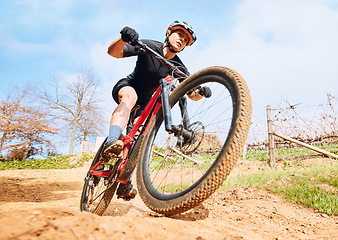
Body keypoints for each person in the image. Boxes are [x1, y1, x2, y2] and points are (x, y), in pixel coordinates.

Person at [104, 20, 210, 200]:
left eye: (186, 40)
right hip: (128, 87)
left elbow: (192, 95)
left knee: (139, 138)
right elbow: (114, 52)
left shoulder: (179, 67)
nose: (182, 40)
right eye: (180, 35)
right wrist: (123, 38)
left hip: (145, 104)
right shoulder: (150, 46)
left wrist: (202, 92)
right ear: (168, 33)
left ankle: (124, 181)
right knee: (130, 98)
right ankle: (112, 141)